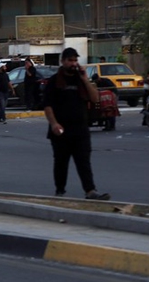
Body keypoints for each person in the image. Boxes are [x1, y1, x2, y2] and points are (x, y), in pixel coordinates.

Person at [43, 47, 110, 200]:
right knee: (61, 163)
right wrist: (54, 124)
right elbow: (48, 105)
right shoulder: (54, 81)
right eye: (70, 60)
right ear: (63, 61)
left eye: (75, 60)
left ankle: (90, 191)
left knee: (83, 161)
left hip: (80, 130)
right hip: (61, 131)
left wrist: (86, 79)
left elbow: (95, 98)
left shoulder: (81, 80)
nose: (73, 63)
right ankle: (60, 191)